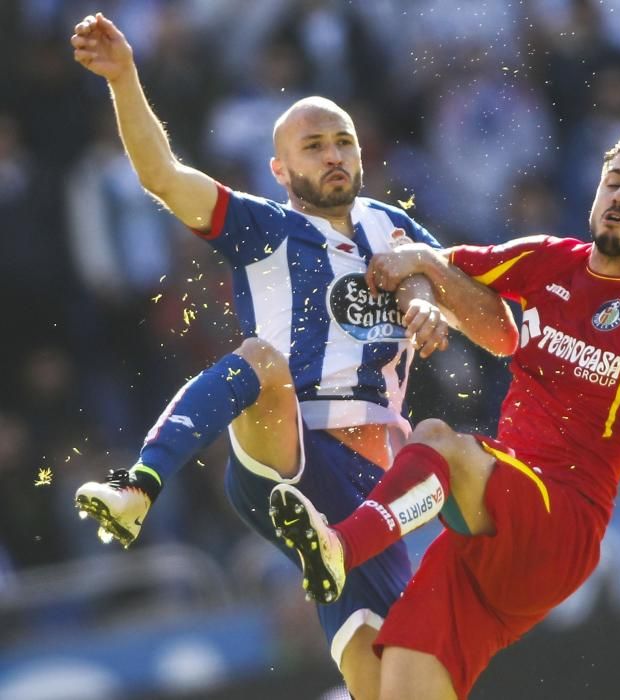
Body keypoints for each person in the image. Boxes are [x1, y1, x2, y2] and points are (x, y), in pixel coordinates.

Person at [68, 13, 517, 700]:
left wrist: (433, 286)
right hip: (288, 442)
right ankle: (138, 488)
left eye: (343, 142)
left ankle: (335, 557)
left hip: (372, 491)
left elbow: (502, 333)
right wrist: (126, 79)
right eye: (313, 146)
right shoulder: (264, 227)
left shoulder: (395, 229)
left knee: (391, 682)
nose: (333, 154)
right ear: (280, 169)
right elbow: (161, 174)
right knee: (262, 360)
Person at [273, 129, 620, 699]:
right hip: (489, 522)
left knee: (437, 440)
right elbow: (442, 266)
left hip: (561, 520)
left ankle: (340, 547)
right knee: (395, 685)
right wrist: (412, 272)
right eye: (614, 180)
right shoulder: (551, 259)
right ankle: (342, 551)